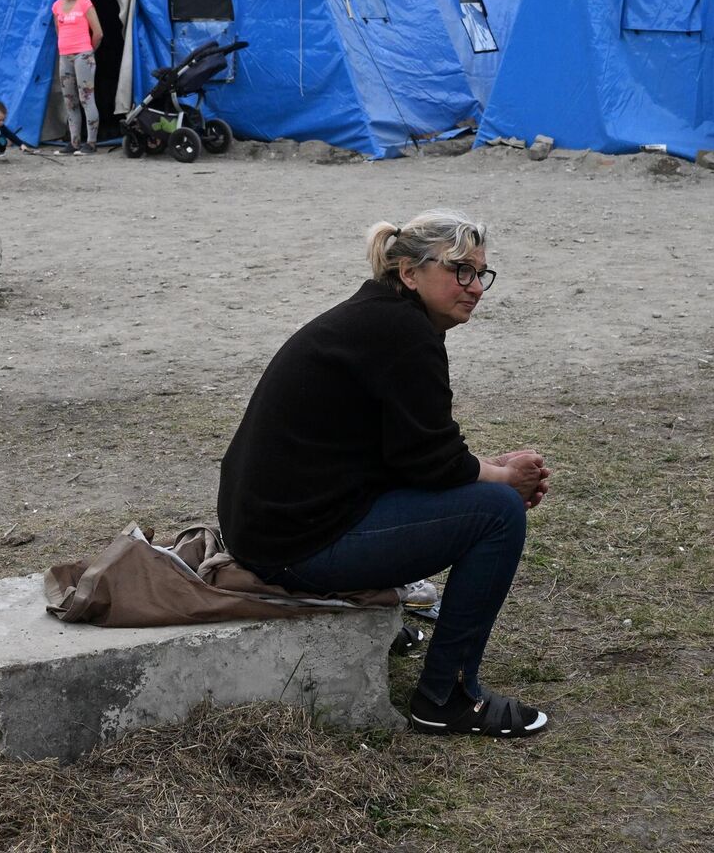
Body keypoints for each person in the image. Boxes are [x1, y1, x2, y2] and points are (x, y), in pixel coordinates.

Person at [218, 209, 553, 738]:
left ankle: (414, 653)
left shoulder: (383, 318)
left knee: (489, 495)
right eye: (459, 270)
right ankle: (448, 696)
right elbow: (434, 463)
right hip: (295, 546)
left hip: (274, 531)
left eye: (481, 274)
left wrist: (489, 468)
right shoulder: (402, 331)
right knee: (498, 513)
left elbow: (414, 451)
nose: (475, 288)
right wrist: (501, 479)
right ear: (409, 272)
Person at [50, 0, 103, 155]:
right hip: (65, 56)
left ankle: (91, 142)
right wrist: (66, 48)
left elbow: (98, 33)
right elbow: (58, 31)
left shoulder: (85, 3)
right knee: (70, 101)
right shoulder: (56, 6)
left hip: (83, 56)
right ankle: (74, 142)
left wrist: (88, 52)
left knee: (86, 98)